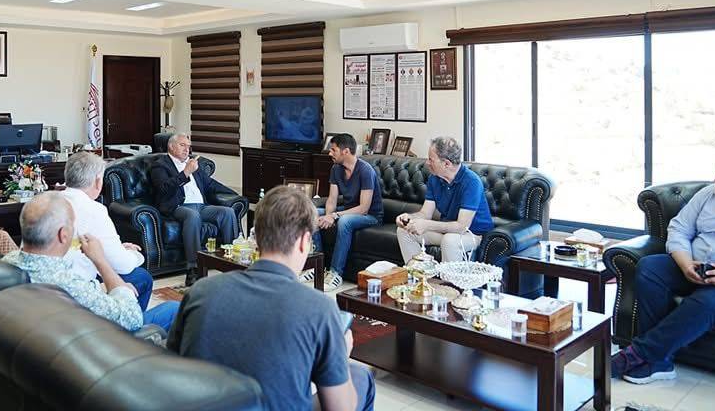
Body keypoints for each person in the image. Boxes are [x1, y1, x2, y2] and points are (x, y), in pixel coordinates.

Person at [168, 186, 375, 411]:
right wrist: (341, 358)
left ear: (256, 238)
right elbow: (340, 408)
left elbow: (170, 367)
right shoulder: (320, 309)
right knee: (360, 376)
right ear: (305, 242)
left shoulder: (200, 291)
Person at [611, 151, 715, 385]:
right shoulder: (709, 194)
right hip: (695, 266)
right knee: (649, 268)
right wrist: (685, 263)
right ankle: (660, 363)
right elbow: (679, 229)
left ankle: (637, 355)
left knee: (707, 302)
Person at [3, 192, 179, 332]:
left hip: (45, 338)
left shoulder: (6, 262)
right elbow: (131, 319)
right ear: (64, 235)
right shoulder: (67, 284)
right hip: (99, 343)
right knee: (174, 309)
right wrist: (100, 260)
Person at [61, 151, 155, 312]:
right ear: (98, 181)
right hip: (75, 290)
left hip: (50, 288)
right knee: (142, 276)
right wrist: (136, 255)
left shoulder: (49, 200)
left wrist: (117, 248)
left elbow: (77, 246)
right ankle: (130, 324)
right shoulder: (94, 210)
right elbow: (123, 266)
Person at [150, 133, 238, 286]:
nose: (187, 150)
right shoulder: (160, 165)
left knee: (227, 213)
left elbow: (210, 184)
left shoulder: (193, 164)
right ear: (171, 146)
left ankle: (232, 262)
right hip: (178, 207)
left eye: (189, 146)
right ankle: (194, 268)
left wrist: (235, 194)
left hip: (201, 207)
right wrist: (185, 173)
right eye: (182, 145)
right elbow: (164, 189)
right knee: (192, 215)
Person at [396, 136, 493, 264]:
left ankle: (447, 278)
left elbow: (462, 227)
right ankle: (419, 274)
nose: (427, 163)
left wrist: (426, 224)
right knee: (404, 231)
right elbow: (425, 213)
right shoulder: (435, 178)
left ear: (446, 164)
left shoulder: (471, 182)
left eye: (431, 159)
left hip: (472, 235)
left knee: (450, 240)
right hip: (446, 231)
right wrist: (410, 218)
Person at [314, 133, 383, 291]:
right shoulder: (336, 169)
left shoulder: (366, 171)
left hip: (370, 216)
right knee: (312, 213)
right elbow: (332, 199)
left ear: (345, 151)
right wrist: (328, 216)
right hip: (347, 210)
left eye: (333, 150)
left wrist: (335, 216)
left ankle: (336, 273)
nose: (330, 153)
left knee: (345, 221)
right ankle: (316, 266)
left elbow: (364, 208)